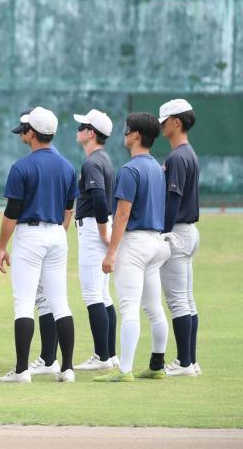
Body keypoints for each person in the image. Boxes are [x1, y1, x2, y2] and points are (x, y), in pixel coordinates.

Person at [0, 107, 77, 383]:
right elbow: (69, 209)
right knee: (60, 303)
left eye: (24, 130)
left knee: (24, 302)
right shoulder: (67, 166)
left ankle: (21, 371)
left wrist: (1, 246)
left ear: (32, 133)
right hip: (57, 234)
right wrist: (58, 234)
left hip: (30, 236)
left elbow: (12, 212)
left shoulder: (22, 167)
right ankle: (67, 369)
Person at [94, 113, 172, 383]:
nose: (124, 134)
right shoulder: (155, 167)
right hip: (156, 242)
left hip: (136, 244)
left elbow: (122, 216)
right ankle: (157, 364)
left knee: (129, 308)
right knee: (153, 307)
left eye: (127, 130)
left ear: (136, 135)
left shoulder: (130, 170)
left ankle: (124, 370)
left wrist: (111, 252)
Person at [71, 109, 119, 371]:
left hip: (93, 227)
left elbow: (100, 198)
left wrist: (102, 233)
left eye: (82, 127)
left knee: (93, 295)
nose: (78, 130)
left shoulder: (92, 162)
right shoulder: (103, 158)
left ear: (91, 133)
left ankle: (102, 356)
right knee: (103, 295)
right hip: (98, 225)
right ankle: (109, 355)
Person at [158, 99, 201, 377]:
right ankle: (191, 361)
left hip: (178, 232)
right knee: (187, 300)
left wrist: (163, 232)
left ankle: (184, 362)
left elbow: (172, 199)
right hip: (189, 232)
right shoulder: (189, 153)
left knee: (177, 302)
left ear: (176, 122)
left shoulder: (176, 157)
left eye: (164, 120)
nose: (161, 125)